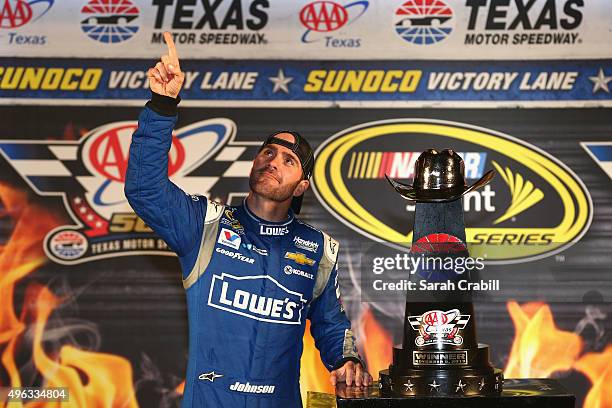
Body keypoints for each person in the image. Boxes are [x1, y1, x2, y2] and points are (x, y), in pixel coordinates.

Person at [124, 32, 372, 407]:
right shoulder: (204, 224)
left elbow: (331, 325)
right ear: (254, 162)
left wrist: (347, 359)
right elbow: (144, 189)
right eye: (268, 152)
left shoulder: (319, 249)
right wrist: (162, 106)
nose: (273, 161)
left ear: (301, 185)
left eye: (288, 161)